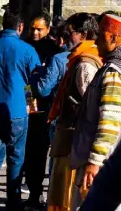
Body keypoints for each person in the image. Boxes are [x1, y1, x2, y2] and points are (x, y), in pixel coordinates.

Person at [68, 13, 121, 210]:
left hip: (108, 164)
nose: (96, 41)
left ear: (114, 38)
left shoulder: (115, 71)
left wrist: (95, 161)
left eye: (101, 35)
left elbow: (109, 121)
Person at [0, 5, 44, 211]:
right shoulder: (27, 50)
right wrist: (31, 103)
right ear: (20, 27)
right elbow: (33, 82)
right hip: (17, 112)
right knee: (16, 158)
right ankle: (14, 203)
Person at [36, 14, 102, 211]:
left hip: (74, 139)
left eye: (69, 33)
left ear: (83, 34)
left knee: (67, 192)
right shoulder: (80, 59)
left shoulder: (84, 65)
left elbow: (91, 106)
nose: (65, 38)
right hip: (72, 137)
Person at [25, 11, 60, 211]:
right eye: (33, 28)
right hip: (32, 105)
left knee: (49, 155)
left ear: (47, 29)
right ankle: (34, 194)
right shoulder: (26, 46)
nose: (35, 32)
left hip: (49, 106)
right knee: (34, 155)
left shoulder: (53, 50)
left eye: (39, 29)